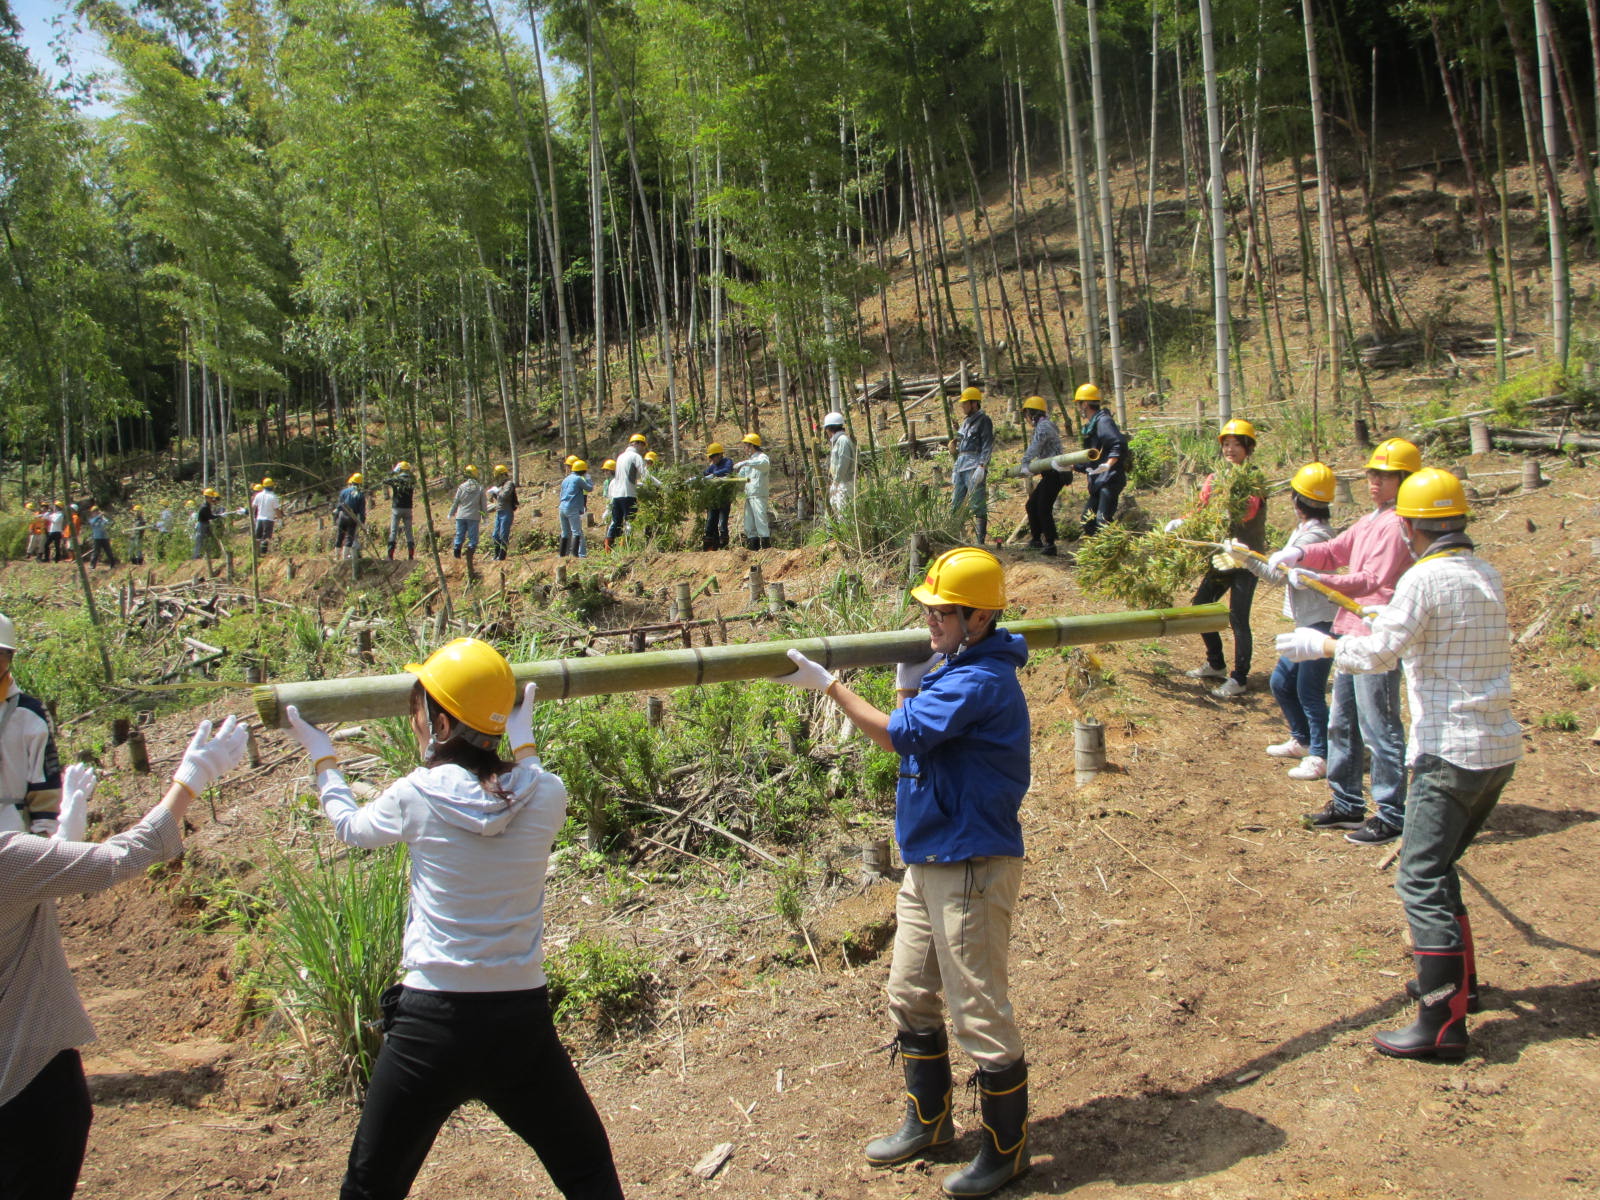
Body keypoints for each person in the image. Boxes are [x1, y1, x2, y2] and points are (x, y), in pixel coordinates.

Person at [282, 639, 625, 1200]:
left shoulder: (414, 795)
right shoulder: (548, 796)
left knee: (370, 1186)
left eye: (419, 711)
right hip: (520, 1025)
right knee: (588, 1174)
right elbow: (531, 775)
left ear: (441, 722)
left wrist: (324, 758)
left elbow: (350, 827)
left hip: (430, 1027)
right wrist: (523, 735)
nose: (413, 720)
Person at [776, 548, 1030, 1197]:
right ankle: (931, 1121)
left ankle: (1006, 1149)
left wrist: (829, 685)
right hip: (931, 858)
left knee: (978, 1009)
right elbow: (912, 721)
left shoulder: (980, 681)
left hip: (970, 863)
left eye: (941, 612)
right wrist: (908, 676)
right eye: (926, 610)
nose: (930, 621)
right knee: (909, 993)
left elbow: (898, 736)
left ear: (977, 618)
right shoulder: (957, 666)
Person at [1276, 469, 1520, 1060]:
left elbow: (1379, 654)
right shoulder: (1483, 573)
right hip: (1498, 748)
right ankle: (1461, 986)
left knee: (1418, 876)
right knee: (1440, 863)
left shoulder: (1424, 577)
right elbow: (1423, 634)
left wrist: (1326, 645)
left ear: (1410, 526)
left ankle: (1441, 1021)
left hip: (1449, 752)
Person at [0, 708, 247, 1200]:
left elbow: (31, 894)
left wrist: (62, 838)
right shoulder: (7, 860)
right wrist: (191, 778)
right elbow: (127, 856)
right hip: (28, 1077)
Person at [1270, 438, 1419, 846]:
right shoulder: (1373, 518)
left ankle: (1391, 812)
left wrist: (1320, 579)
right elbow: (1337, 548)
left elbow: (1373, 580)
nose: (1375, 481)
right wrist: (1298, 556)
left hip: (1378, 632)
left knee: (1379, 726)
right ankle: (1347, 801)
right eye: (1372, 473)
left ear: (1405, 480)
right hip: (1351, 629)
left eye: (1385, 475)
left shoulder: (1397, 524)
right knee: (1342, 721)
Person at [1222, 462, 1338, 780]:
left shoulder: (1314, 536)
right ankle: (1302, 739)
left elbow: (1277, 575)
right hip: (1308, 622)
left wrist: (1246, 559)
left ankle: (1321, 755)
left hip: (1321, 624)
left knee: (1309, 690)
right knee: (1281, 683)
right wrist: (1249, 556)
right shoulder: (1305, 530)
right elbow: (1280, 571)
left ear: (1297, 499)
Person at [1169, 419, 1267, 699]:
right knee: (1201, 605)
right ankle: (1216, 663)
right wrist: (1181, 522)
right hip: (1221, 557)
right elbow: (1201, 508)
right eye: (1226, 444)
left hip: (1246, 558)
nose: (1230, 449)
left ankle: (1240, 678)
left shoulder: (1254, 480)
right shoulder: (1215, 478)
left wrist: (1226, 513)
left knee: (1238, 618)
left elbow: (1248, 512)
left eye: (1237, 444)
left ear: (1248, 448)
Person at [0, 613, 63, 837]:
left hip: (14, 837)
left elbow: (45, 780)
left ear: (9, 659)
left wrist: (44, 836)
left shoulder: (28, 714)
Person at [1074, 383, 1128, 537]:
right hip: (1099, 481)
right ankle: (1097, 555)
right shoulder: (1093, 425)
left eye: (1079, 405)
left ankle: (1111, 553)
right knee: (1087, 520)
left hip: (1109, 480)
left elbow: (1118, 443)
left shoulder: (1103, 421)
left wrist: (1108, 464)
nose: (1079, 409)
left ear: (1085, 404)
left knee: (1102, 521)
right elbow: (1092, 458)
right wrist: (1071, 466)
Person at [1015, 395, 1067, 556]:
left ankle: (1050, 544)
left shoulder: (1044, 427)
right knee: (1032, 505)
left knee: (1043, 507)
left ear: (1032, 414)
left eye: (1026, 416)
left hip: (1056, 473)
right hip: (1050, 473)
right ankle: (1036, 540)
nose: (1026, 420)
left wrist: (1025, 463)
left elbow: (1035, 448)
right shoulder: (1043, 426)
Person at [949, 386, 994, 546]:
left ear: (974, 403)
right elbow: (962, 444)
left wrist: (982, 465)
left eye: (965, 403)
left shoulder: (984, 420)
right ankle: (957, 539)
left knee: (977, 503)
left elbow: (987, 444)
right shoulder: (965, 423)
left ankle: (980, 541)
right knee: (955, 504)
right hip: (961, 465)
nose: (962, 406)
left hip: (974, 465)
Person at [607, 434, 648, 551]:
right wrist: (660, 485)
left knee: (615, 522)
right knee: (630, 522)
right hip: (628, 494)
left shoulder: (620, 457)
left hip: (617, 495)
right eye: (643, 445)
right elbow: (645, 475)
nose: (643, 448)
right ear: (638, 444)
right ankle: (626, 548)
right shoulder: (636, 457)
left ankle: (608, 550)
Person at [734, 432, 771, 550]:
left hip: (759, 495)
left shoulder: (762, 457)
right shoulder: (749, 461)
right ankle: (753, 550)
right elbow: (740, 476)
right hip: (749, 496)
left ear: (752, 446)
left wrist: (746, 462)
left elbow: (764, 465)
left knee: (761, 521)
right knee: (749, 525)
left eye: (746, 446)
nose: (745, 449)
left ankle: (766, 548)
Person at [447, 465, 484, 566]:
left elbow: (456, 502)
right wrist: (485, 518)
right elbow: (483, 505)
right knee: (473, 539)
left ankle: (456, 558)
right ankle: (469, 560)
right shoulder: (480, 488)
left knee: (459, 536)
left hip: (461, 515)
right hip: (473, 516)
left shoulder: (461, 487)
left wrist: (451, 513)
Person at [701, 443, 734, 551]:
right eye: (710, 457)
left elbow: (727, 470)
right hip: (713, 498)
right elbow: (705, 473)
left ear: (719, 455)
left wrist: (714, 475)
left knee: (722, 523)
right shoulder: (712, 466)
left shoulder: (727, 462)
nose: (712, 459)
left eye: (713, 457)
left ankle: (724, 547)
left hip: (724, 497)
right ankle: (710, 546)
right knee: (710, 521)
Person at [823, 412, 857, 517]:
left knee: (844, 515)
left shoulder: (842, 441)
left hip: (845, 483)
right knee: (835, 513)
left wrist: (836, 482)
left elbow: (843, 463)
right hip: (841, 483)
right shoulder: (840, 441)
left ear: (829, 429)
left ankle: (846, 533)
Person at [558, 460, 593, 558]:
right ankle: (579, 555)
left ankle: (563, 554)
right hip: (572, 508)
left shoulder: (566, 479)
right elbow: (589, 488)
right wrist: (588, 478)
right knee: (577, 532)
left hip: (562, 507)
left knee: (565, 532)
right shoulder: (578, 479)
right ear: (583, 471)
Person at [386, 461, 416, 561]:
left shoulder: (396, 480)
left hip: (397, 508)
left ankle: (390, 556)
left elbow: (385, 480)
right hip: (408, 508)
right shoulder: (412, 480)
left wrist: (394, 471)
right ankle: (411, 556)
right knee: (409, 532)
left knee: (393, 531)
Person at [489, 465, 519, 561]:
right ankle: (496, 555)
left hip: (507, 511)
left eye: (498, 476)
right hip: (499, 511)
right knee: (495, 535)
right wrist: (494, 493)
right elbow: (498, 499)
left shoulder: (509, 484)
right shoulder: (501, 486)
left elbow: (504, 496)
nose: (498, 479)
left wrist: (497, 491)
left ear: (503, 475)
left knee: (503, 534)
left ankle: (502, 556)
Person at [334, 473, 367, 561]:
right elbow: (362, 512)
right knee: (349, 537)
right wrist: (362, 523)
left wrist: (336, 519)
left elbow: (339, 506)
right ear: (360, 483)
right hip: (352, 517)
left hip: (342, 516)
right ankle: (345, 558)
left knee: (340, 536)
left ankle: (336, 557)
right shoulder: (360, 494)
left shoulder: (343, 492)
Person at [252, 478, 282, 555]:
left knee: (258, 538)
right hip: (268, 520)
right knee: (266, 538)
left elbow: (253, 507)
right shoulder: (273, 497)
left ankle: (256, 554)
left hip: (259, 519)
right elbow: (276, 509)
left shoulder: (258, 495)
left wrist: (252, 517)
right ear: (272, 487)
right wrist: (280, 518)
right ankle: (263, 554)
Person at [193, 489, 220, 560]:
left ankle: (209, 554)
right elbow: (209, 516)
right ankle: (195, 556)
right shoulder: (204, 507)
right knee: (200, 540)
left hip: (206, 524)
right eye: (211, 498)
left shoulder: (208, 505)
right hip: (202, 525)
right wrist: (219, 516)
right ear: (207, 497)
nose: (212, 499)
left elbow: (215, 503)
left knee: (210, 539)